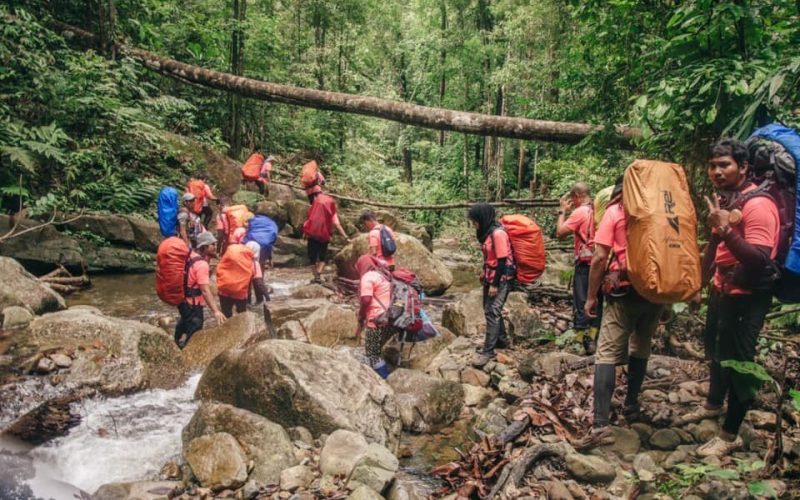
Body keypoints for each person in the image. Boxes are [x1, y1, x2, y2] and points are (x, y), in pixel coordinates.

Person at [678, 139, 779, 456]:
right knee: (717, 351)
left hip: (748, 297)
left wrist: (728, 231)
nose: (717, 171)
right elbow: (713, 248)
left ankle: (730, 434)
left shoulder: (759, 205)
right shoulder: (726, 201)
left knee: (739, 362)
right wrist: (698, 283)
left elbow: (760, 258)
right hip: (722, 290)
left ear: (744, 167)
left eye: (725, 165)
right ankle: (712, 404)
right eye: (713, 165)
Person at [576, 179, 665, 450]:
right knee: (641, 347)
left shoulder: (616, 212)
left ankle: (601, 424)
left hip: (624, 292)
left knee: (605, 353)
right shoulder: (660, 214)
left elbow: (600, 257)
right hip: (654, 291)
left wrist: (591, 297)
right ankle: (632, 405)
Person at [468, 203, 515, 368]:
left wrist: (495, 285)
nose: (474, 224)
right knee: (489, 308)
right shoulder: (487, 233)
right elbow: (491, 256)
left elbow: (502, 260)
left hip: (502, 277)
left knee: (492, 310)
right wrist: (484, 269)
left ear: (482, 218)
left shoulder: (498, 233)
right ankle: (502, 340)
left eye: (475, 221)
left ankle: (488, 351)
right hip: (490, 274)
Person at [556, 181, 600, 354]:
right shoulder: (599, 209)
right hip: (601, 261)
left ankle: (581, 341)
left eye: (572, 198)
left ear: (576, 195)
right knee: (596, 300)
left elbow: (560, 233)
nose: (571, 202)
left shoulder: (580, 212)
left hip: (585, 262)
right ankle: (594, 338)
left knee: (581, 300)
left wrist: (562, 211)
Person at [175, 231, 226, 348]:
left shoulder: (190, 256)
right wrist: (216, 311)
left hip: (183, 301)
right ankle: (185, 356)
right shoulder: (202, 264)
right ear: (204, 246)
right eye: (212, 245)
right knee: (194, 335)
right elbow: (205, 290)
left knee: (184, 321)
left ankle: (175, 343)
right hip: (194, 304)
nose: (215, 247)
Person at [354, 254, 394, 379]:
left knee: (372, 354)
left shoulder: (368, 277)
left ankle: (384, 379)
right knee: (379, 349)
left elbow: (366, 300)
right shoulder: (383, 274)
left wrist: (361, 315)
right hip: (390, 317)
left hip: (376, 320)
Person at [216, 228, 269, 317]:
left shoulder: (232, 255)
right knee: (242, 317)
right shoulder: (254, 263)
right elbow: (259, 283)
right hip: (239, 294)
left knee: (226, 316)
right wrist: (268, 298)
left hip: (223, 291)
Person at [304, 193, 349, 284]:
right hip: (324, 236)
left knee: (312, 259)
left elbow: (309, 219)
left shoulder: (315, 208)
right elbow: (337, 225)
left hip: (312, 235)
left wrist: (305, 232)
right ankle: (318, 275)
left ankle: (315, 276)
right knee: (322, 258)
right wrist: (346, 237)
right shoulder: (332, 213)